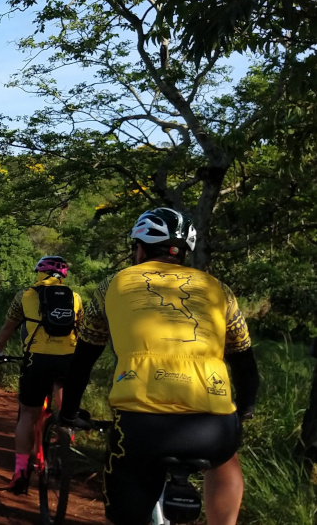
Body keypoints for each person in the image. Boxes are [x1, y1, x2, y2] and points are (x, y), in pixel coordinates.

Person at [59, 207, 259, 525]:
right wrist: (245, 407)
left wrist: (68, 412)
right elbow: (244, 360)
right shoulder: (219, 289)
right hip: (214, 430)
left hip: (141, 428)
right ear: (183, 252)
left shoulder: (111, 285)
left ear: (139, 248)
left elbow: (83, 360)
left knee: (128, 501)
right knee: (226, 460)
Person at [0, 255, 84, 494]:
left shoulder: (25, 295)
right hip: (68, 360)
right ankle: (65, 442)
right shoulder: (75, 297)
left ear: (39, 271)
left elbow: (9, 326)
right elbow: (81, 331)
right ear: (63, 276)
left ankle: (20, 472)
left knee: (28, 415)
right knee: (64, 400)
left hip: (36, 360)